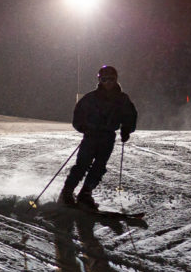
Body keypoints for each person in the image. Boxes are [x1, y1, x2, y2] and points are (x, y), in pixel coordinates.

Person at [58, 65, 137, 209]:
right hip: (91, 136)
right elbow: (78, 115)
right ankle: (67, 192)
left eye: (111, 79)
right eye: (105, 79)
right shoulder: (91, 98)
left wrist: (126, 129)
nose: (108, 83)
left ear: (116, 80)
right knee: (82, 164)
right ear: (100, 80)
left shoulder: (122, 99)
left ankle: (85, 194)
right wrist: (83, 127)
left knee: (99, 167)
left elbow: (130, 115)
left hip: (107, 137)